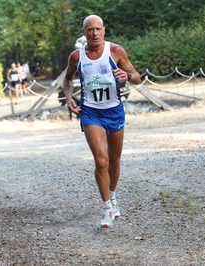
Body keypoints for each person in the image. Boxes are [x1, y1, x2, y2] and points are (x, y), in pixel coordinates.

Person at [62, 15, 141, 228]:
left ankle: (113, 196)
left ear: (104, 30)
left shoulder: (115, 51)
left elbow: (136, 76)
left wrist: (127, 75)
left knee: (114, 160)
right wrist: (69, 98)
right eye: (90, 29)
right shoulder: (77, 57)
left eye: (98, 29)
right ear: (84, 32)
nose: (94, 33)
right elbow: (68, 79)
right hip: (91, 113)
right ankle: (106, 208)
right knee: (102, 161)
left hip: (114, 111)